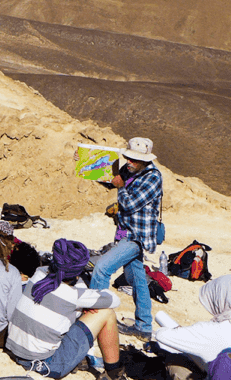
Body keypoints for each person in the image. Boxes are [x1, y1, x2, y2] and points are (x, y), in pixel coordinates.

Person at [6, 239, 127, 380]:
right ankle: (113, 373)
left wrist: (81, 301)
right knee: (106, 313)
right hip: (45, 364)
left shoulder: (39, 273)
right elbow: (114, 300)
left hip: (16, 350)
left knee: (66, 312)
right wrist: (84, 301)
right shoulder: (74, 295)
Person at [89, 137, 164, 340]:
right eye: (128, 158)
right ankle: (143, 326)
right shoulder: (130, 170)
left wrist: (121, 187)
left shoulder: (153, 178)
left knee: (102, 269)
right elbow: (111, 184)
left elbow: (130, 204)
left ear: (145, 160)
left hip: (136, 236)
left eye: (134, 160)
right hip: (125, 231)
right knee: (138, 280)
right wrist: (90, 167)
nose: (129, 163)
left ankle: (93, 320)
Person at [155, 275, 231, 377]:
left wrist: (181, 330)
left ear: (217, 300)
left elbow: (161, 336)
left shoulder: (211, 330)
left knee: (174, 361)